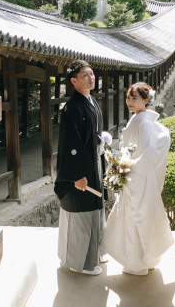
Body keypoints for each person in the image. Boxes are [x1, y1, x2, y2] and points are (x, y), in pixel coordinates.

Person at [102, 81, 174, 275]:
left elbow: (149, 150)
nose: (129, 102)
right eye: (128, 97)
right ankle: (145, 259)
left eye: (134, 98)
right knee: (139, 217)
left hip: (136, 177)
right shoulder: (142, 118)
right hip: (137, 176)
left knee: (134, 218)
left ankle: (137, 263)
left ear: (145, 100)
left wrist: (131, 170)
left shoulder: (141, 120)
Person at [55, 60, 111, 275]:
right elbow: (71, 144)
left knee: (95, 208)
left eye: (92, 74)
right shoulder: (72, 108)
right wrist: (77, 175)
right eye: (85, 75)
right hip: (79, 169)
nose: (91, 78)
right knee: (80, 213)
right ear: (74, 81)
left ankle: (95, 252)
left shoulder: (90, 101)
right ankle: (79, 263)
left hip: (93, 164)